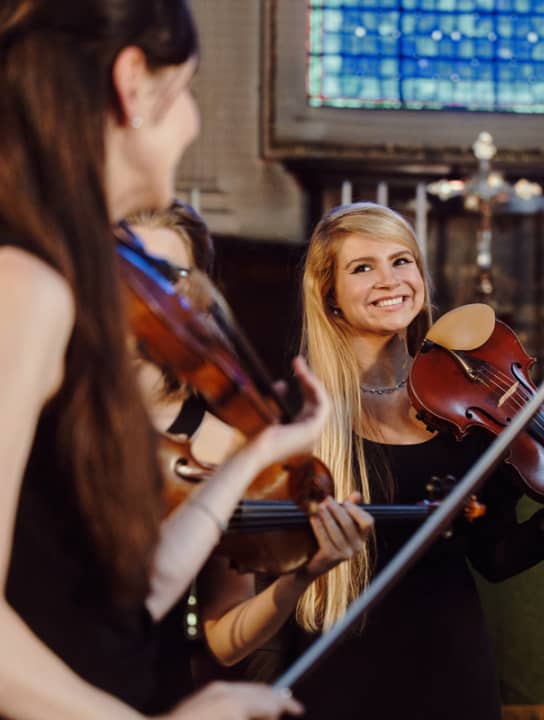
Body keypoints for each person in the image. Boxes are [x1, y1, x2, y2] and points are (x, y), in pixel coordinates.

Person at [0, 1, 334, 716]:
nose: (194, 123)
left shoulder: (65, 278)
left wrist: (255, 453)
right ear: (133, 84)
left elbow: (124, 600)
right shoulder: (22, 285)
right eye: (186, 90)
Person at [242, 201, 544, 720]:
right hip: (335, 672)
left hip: (452, 668)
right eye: (362, 268)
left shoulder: (466, 405)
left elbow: (492, 555)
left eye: (401, 261)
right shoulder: (299, 413)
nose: (390, 280)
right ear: (329, 294)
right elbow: (262, 576)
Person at [126, 202, 374, 702]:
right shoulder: (37, 407)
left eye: (167, 277)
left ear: (195, 298)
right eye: (127, 271)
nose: (144, 294)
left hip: (149, 691)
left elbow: (223, 639)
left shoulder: (222, 446)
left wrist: (301, 578)